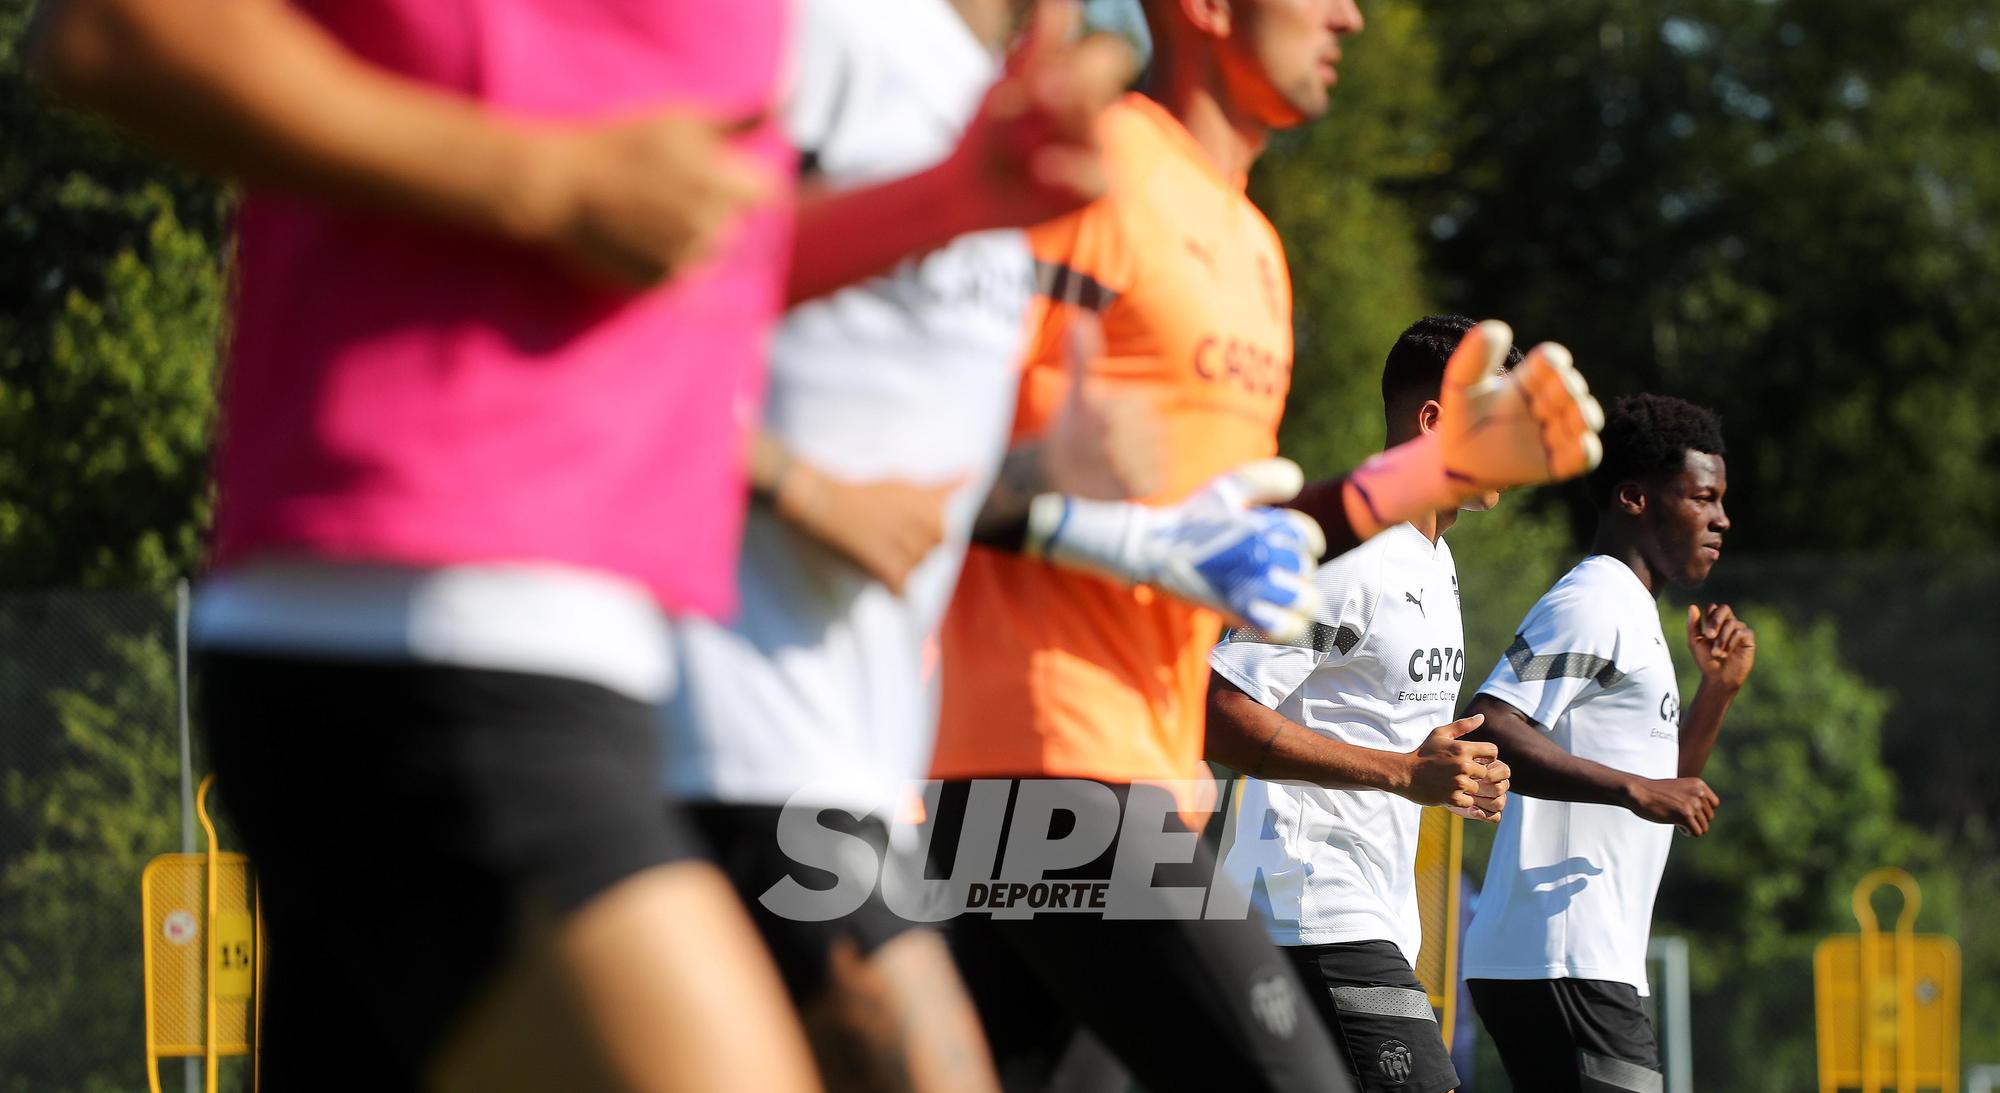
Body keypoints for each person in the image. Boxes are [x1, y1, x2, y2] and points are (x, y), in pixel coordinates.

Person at [26, 0, 1114, 1086]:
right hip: (415, 629)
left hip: (588, 658)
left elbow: (676, 258)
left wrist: (950, 198)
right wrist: (550, 183)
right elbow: (122, 32)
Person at [921, 0, 1605, 1089]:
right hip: (1034, 758)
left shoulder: (1253, 249)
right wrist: (1104, 529)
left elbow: (1221, 548)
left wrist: (1423, 477)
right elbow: (919, 450)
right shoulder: (1087, 168)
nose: (1350, 15)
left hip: (1142, 775)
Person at [1206, 315, 1518, 1093]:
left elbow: (1384, 731)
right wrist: (1406, 770)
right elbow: (1216, 708)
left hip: (1367, 916)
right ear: (1436, 421)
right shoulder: (1356, 551)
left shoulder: (1434, 559)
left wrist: (1453, 772)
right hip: (1312, 911)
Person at [1460, 393, 1756, 1093]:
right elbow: (1491, 727)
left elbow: (1666, 793)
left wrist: (1716, 692)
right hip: (1559, 955)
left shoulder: (1634, 610)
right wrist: (1636, 787)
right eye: (1701, 497)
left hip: (1582, 959)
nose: (1722, 518)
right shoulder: (1593, 600)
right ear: (1633, 497)